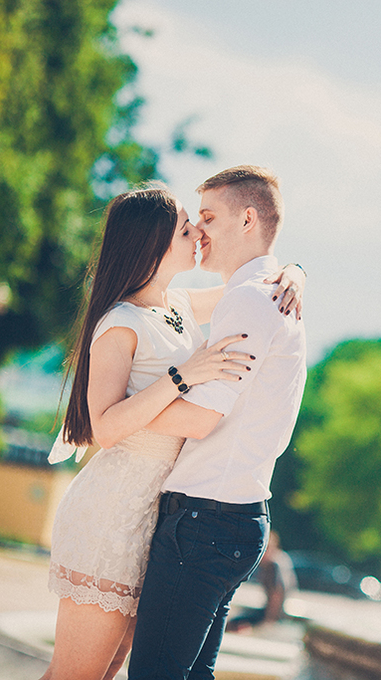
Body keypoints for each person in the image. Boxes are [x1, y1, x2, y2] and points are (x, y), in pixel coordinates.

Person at [40, 183, 304, 680]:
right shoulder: (121, 322)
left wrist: (295, 272)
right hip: (114, 512)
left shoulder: (178, 305)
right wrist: (182, 377)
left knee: (109, 670)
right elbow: (104, 427)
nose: (199, 233)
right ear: (154, 244)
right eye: (187, 229)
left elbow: (252, 288)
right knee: (76, 674)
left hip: (158, 515)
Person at [127, 165, 308, 679]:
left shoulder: (252, 298)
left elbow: (202, 418)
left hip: (206, 519)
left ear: (248, 219)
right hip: (228, 516)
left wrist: (118, 413)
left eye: (208, 217)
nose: (198, 230)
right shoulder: (262, 292)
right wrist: (297, 268)